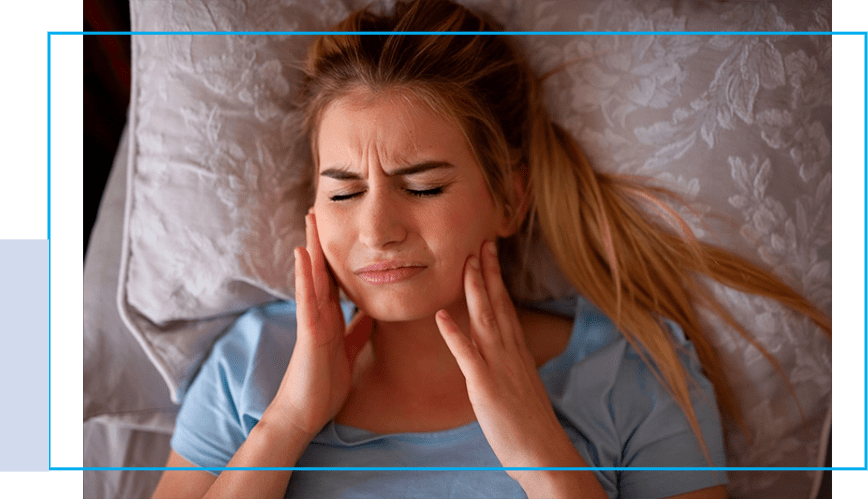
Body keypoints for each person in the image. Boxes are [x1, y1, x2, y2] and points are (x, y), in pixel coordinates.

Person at [151, 1, 832, 498]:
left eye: (422, 186)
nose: (378, 228)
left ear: (510, 199)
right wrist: (288, 423)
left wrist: (541, 454)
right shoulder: (251, 369)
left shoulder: (632, 377)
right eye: (344, 190)